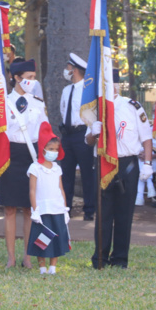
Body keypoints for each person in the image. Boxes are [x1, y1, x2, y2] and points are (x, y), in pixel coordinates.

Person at [86, 69, 152, 269]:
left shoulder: (133, 106)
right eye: (106, 85)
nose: (111, 88)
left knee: (124, 214)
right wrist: (93, 133)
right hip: (104, 162)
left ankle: (120, 259)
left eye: (113, 84)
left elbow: (146, 137)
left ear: (118, 85)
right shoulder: (95, 108)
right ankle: (100, 258)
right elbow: (88, 141)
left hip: (128, 164)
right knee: (103, 213)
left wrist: (148, 163)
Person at [0, 59, 49, 268]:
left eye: (33, 77)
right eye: (28, 78)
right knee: (10, 209)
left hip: (31, 157)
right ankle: (11, 257)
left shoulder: (38, 104)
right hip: (9, 156)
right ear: (16, 78)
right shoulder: (2, 103)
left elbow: (45, 135)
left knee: (30, 209)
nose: (32, 81)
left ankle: (27, 257)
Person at [27, 122, 70, 275]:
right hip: (42, 210)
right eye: (51, 149)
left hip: (57, 208)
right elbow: (32, 191)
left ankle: (53, 267)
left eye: (56, 150)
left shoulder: (57, 168)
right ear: (42, 149)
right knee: (42, 240)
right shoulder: (35, 168)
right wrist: (35, 210)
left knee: (57, 237)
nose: (54, 152)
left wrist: (65, 209)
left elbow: (61, 189)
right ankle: (42, 267)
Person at [59, 53, 96, 221]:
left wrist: (90, 134)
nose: (65, 70)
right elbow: (62, 110)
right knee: (66, 173)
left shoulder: (88, 90)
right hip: (68, 134)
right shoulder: (66, 90)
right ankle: (66, 208)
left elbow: (92, 114)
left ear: (74, 70)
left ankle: (89, 210)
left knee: (87, 174)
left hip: (83, 134)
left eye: (67, 67)